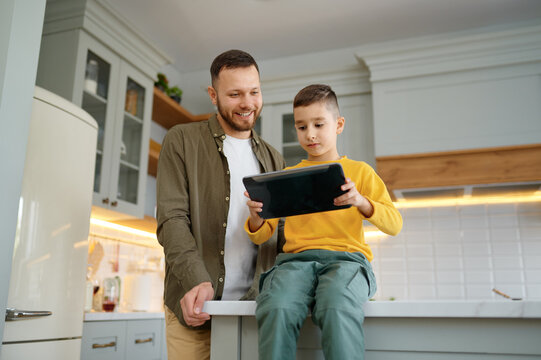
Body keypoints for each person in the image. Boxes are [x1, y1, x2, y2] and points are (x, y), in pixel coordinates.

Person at [244, 84, 403, 360]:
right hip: (294, 264)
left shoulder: (360, 172)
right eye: (302, 127)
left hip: (347, 262)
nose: (310, 134)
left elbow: (394, 224)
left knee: (336, 305)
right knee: (276, 306)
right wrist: (256, 218)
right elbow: (261, 235)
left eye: (318, 124)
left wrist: (361, 201)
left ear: (339, 124)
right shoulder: (288, 175)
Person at [156, 49, 285, 360]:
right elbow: (171, 219)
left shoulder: (274, 159)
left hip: (254, 309)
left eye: (254, 92)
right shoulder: (181, 140)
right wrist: (195, 279)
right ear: (213, 95)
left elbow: (281, 239)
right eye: (235, 94)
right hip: (194, 306)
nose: (247, 103)